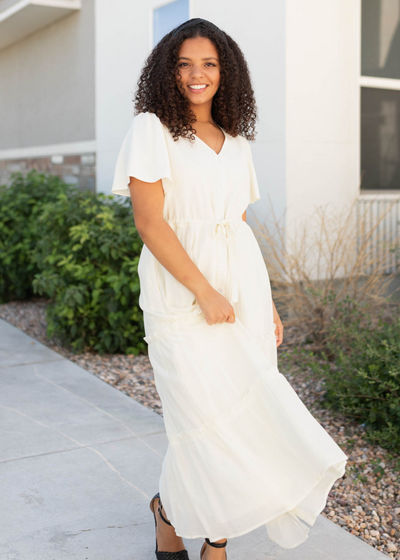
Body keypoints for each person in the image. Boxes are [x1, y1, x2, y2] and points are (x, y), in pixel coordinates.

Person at [111, 18, 348, 560]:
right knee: (197, 417)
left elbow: (238, 224)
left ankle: (214, 538)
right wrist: (204, 292)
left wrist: (264, 304)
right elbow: (150, 223)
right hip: (181, 292)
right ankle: (170, 512)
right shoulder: (151, 128)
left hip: (241, 289)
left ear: (227, 72)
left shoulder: (237, 141)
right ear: (168, 71)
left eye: (210, 64)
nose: (197, 75)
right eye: (185, 63)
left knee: (243, 416)